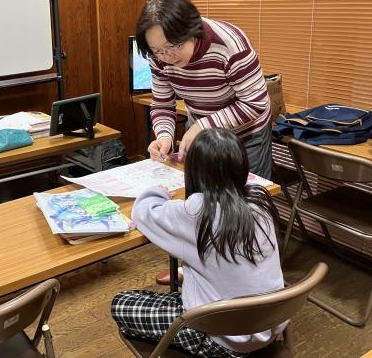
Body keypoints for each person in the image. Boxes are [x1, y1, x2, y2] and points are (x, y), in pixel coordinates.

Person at [111, 128, 285, 357]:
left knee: (121, 303)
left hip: (222, 338)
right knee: (173, 290)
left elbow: (143, 212)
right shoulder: (260, 200)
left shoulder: (197, 211)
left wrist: (159, 190)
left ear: (195, 171)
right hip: (270, 324)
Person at [136, 0, 273, 180]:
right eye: (158, 51)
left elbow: (255, 104)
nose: (167, 57)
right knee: (201, 197)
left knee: (246, 202)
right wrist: (164, 137)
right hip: (202, 131)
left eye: (173, 46)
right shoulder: (158, 57)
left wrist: (202, 126)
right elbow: (162, 104)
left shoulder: (230, 45)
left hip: (245, 136)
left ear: (192, 31)